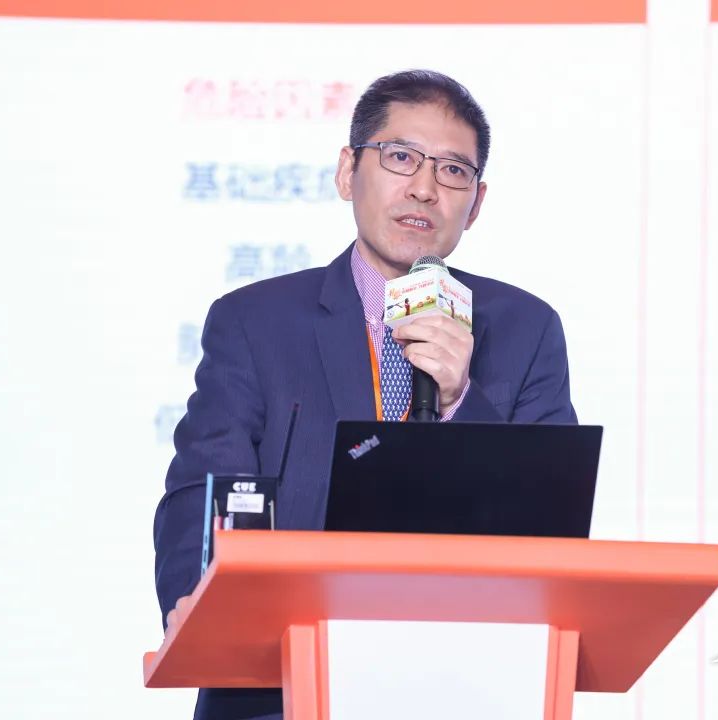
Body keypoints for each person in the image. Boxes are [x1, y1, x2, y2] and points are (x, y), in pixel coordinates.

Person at [153, 69, 578, 720]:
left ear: (477, 203)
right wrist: (204, 622)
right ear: (348, 171)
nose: (425, 188)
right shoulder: (256, 322)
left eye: (453, 171)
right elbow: (200, 495)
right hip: (279, 691)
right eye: (401, 157)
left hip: (465, 690)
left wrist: (461, 401)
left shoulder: (526, 330)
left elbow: (551, 532)